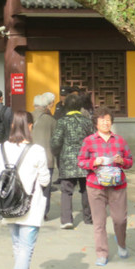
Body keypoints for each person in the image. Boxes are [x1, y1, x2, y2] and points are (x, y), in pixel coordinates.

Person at [0, 110, 50, 269]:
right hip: (31, 206)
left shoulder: (1, 149)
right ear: (31, 127)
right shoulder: (37, 150)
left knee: (19, 250)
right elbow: (45, 180)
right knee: (25, 250)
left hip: (8, 205)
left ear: (12, 126)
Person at [77, 108, 133, 266]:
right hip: (95, 186)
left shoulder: (120, 140)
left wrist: (122, 161)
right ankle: (101, 253)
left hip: (118, 185)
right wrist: (93, 163)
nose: (105, 122)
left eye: (108, 119)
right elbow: (80, 161)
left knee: (120, 219)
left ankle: (121, 244)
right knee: (99, 222)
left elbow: (130, 161)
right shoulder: (89, 141)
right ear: (96, 123)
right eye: (102, 120)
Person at [50, 93, 93, 229]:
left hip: (67, 161)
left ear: (66, 107)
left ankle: (66, 219)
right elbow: (93, 141)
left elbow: (56, 141)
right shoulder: (87, 122)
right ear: (80, 107)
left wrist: (56, 152)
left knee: (66, 191)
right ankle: (88, 218)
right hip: (85, 160)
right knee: (86, 189)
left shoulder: (62, 122)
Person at [31, 93, 57, 219]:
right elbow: (56, 140)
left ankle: (30, 209)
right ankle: (43, 212)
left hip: (29, 158)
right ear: (46, 105)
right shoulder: (51, 120)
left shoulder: (27, 117)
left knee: (30, 184)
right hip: (47, 158)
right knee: (45, 186)